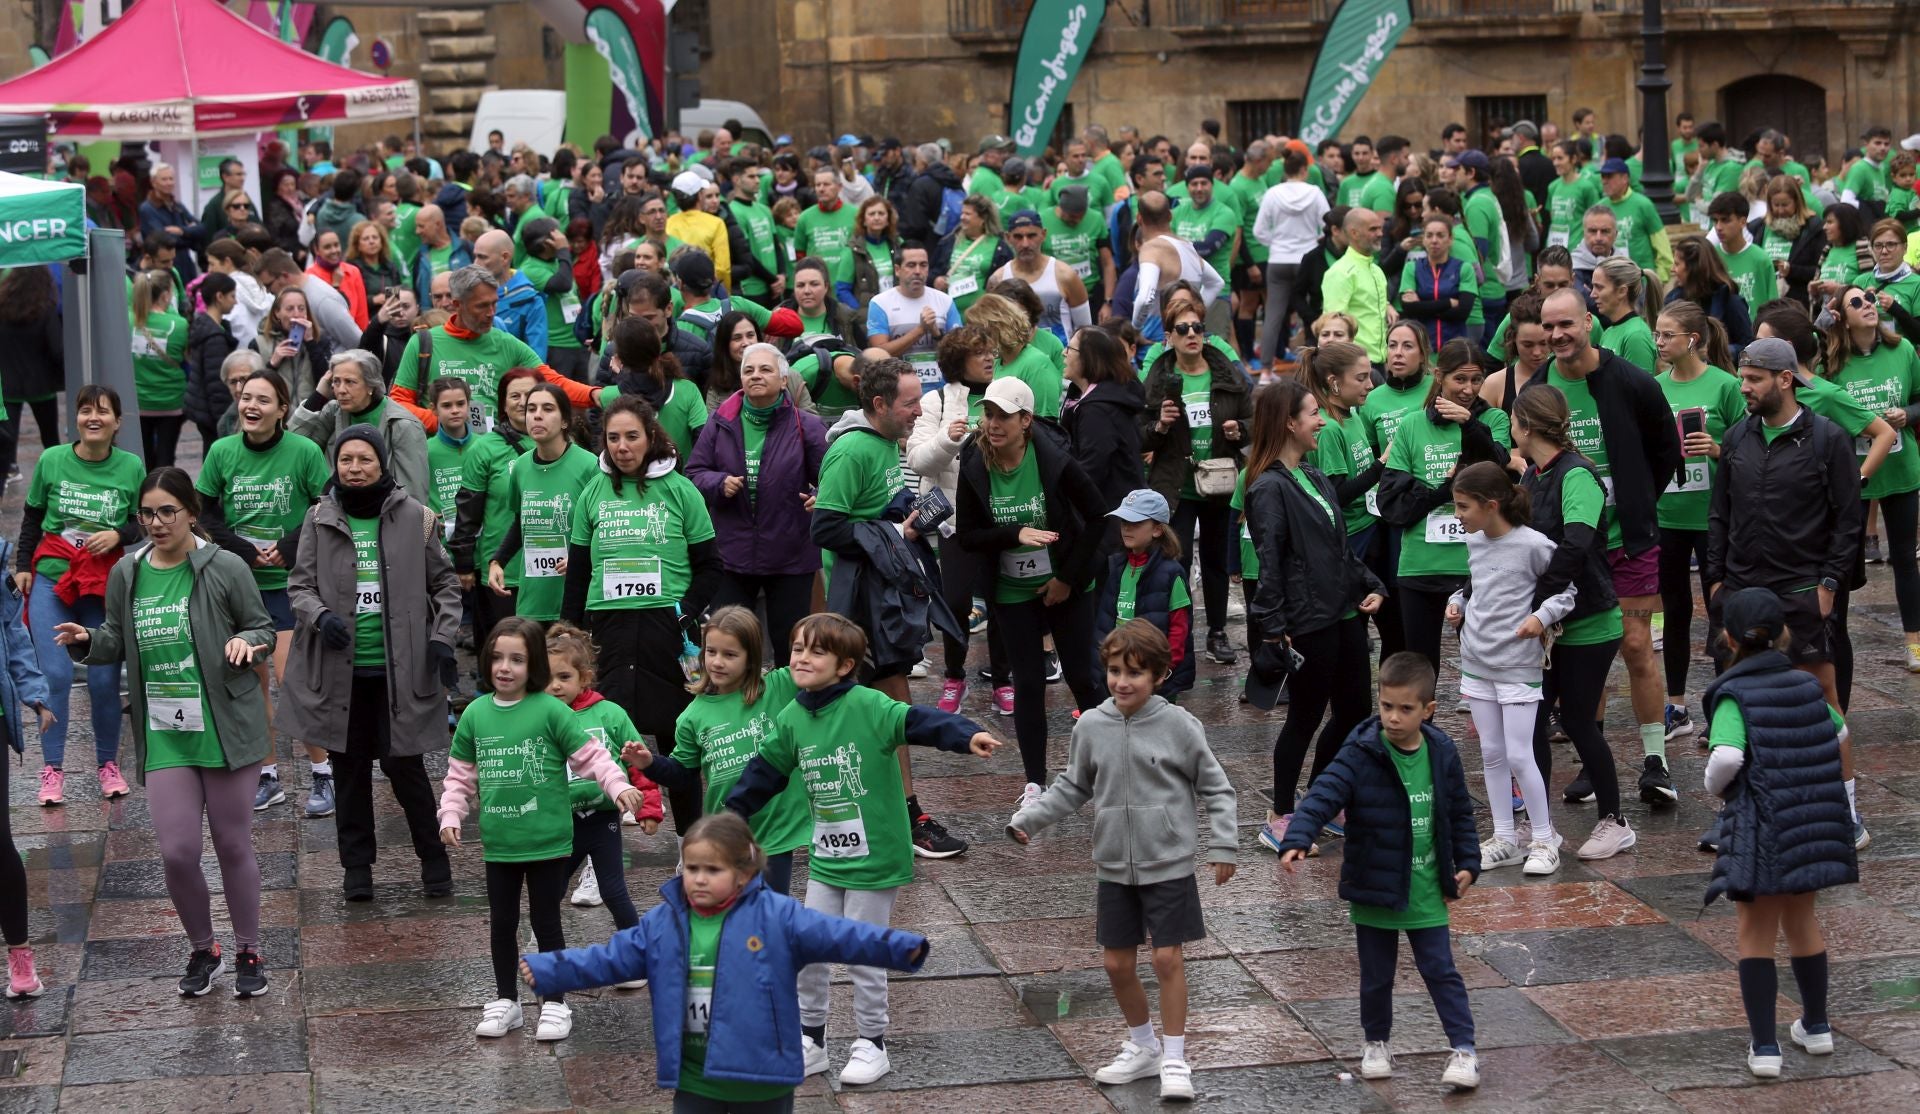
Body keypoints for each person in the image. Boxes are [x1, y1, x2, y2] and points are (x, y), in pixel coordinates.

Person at [722, 612, 999, 1087]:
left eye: (816, 651)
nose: (802, 658)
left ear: (846, 665)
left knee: (862, 951)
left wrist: (966, 733)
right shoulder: (792, 717)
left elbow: (920, 721)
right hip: (828, 856)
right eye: (796, 649)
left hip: (876, 857)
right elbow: (764, 771)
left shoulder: (870, 706)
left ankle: (873, 1043)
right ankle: (811, 1040)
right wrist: (729, 816)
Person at [518, 812, 930, 1108]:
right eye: (692, 867)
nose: (698, 878)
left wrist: (900, 948)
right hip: (696, 1076)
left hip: (762, 1077)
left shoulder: (777, 917)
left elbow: (844, 937)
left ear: (745, 873)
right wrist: (549, 969)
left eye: (712, 869)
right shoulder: (666, 921)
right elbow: (611, 959)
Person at [55, 468, 276, 997]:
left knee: (231, 842)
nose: (156, 523)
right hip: (166, 731)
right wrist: (87, 639)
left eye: (166, 512)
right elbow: (114, 638)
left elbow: (262, 625)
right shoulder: (127, 574)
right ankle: (205, 948)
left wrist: (247, 643)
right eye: (147, 514)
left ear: (191, 513)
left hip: (226, 727)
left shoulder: (224, 567)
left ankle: (249, 948)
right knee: (177, 851)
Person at [1008, 619, 1234, 1102]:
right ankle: (1143, 1045)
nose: (1121, 681)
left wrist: (1223, 845)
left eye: (1134, 672)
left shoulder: (1178, 725)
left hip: (1168, 860)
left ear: (1158, 675)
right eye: (1114, 670)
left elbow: (1215, 786)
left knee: (1168, 957)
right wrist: (1031, 819)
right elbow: (1073, 785)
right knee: (1115, 963)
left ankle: (1175, 1057)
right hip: (1114, 862)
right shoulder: (1092, 724)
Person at [1274, 653, 1482, 1092]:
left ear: (1428, 710)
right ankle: (1376, 1043)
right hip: (1374, 884)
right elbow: (1324, 791)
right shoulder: (1362, 749)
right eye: (1387, 705)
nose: (1393, 717)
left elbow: (1460, 813)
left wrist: (1468, 864)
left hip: (1426, 887)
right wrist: (1298, 835)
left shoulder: (1441, 752)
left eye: (1405, 709)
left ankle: (1464, 1049)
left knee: (1440, 969)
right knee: (1376, 975)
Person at [438, 616, 650, 1041]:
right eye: (497, 657)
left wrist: (619, 786)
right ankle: (506, 1001)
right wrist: (450, 813)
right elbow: (459, 775)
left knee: (547, 920)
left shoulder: (551, 710)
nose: (505, 667)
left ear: (532, 663)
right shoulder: (476, 714)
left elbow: (593, 758)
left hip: (549, 840)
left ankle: (555, 1002)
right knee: (501, 923)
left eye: (517, 659)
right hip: (500, 843)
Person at [281, 425, 461, 900]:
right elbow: (298, 587)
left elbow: (445, 585)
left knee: (407, 769)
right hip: (340, 672)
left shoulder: (417, 517)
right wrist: (319, 617)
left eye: (365, 460)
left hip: (399, 672)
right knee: (350, 771)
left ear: (383, 463)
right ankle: (356, 868)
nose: (355, 469)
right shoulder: (318, 518)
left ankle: (434, 859)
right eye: (346, 460)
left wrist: (442, 638)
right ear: (335, 465)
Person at [810, 358, 970, 856]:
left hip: (887, 597)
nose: (918, 410)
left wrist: (912, 513)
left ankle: (897, 811)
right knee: (880, 705)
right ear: (878, 405)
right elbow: (827, 529)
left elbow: (882, 505)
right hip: (860, 603)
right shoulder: (853, 449)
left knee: (889, 702)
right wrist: (892, 532)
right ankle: (901, 815)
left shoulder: (884, 445)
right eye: (908, 402)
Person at [1535, 286, 1683, 812]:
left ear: (1589, 323)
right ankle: (1593, 762)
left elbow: (1667, 447)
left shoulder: (1631, 381)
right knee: (1585, 651)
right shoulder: (1539, 385)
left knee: (1637, 644)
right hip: (1575, 546)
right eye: (1548, 328)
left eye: (1566, 325)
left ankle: (1654, 759)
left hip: (1628, 538)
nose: (1557, 337)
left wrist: (1639, 499)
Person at [1700, 587, 1856, 1080]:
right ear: (1785, 635)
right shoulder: (1808, 686)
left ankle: (1765, 1048)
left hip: (1762, 825)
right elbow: (1839, 733)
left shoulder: (1734, 693)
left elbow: (1726, 757)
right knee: (1803, 920)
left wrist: (1719, 790)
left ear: (1728, 639)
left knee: (1755, 932)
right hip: (1810, 819)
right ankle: (1817, 1026)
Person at [560, 394, 720, 842]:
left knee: (677, 742)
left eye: (632, 436)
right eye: (613, 438)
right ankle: (598, 853)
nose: (622, 446)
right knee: (604, 744)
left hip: (664, 632)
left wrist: (684, 613)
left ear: (650, 436)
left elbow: (712, 566)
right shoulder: (593, 490)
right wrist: (567, 633)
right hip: (607, 631)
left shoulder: (679, 488)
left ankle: (692, 845)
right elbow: (579, 575)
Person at [1244, 378, 1387, 852]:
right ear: (1289, 423)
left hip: (1341, 611)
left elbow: (1338, 549)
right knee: (1304, 718)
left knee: (1355, 709)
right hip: (1306, 620)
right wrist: (1273, 630)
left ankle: (1320, 798)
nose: (1321, 421)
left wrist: (1371, 583)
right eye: (1312, 414)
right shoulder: (1268, 487)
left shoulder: (1316, 476)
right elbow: (1270, 561)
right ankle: (1281, 814)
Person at [955, 376, 1111, 802]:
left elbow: (1099, 517)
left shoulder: (1053, 458)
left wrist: (1067, 580)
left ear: (1025, 420)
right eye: (988, 413)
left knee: (1084, 676)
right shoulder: (974, 461)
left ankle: (1111, 767)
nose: (993, 423)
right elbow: (967, 535)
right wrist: (1014, 533)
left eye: (1003, 415)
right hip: (1011, 589)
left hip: (1067, 580)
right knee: (1027, 683)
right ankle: (1034, 782)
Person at [194, 370, 335, 815]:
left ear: (281, 408)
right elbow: (204, 514)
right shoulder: (221, 452)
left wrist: (288, 547)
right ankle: (267, 775)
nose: (250, 406)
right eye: (245, 397)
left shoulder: (305, 451)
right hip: (239, 587)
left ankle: (323, 774)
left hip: (289, 587)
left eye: (262, 400)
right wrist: (243, 552)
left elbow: (327, 504)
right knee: (249, 687)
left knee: (292, 682)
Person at [14, 385, 144, 804]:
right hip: (53, 578)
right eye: (85, 411)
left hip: (102, 585)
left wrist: (118, 534)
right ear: (76, 420)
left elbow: (141, 522)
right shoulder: (52, 459)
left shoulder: (131, 467)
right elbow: (32, 516)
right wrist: (20, 567)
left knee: (105, 679)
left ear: (116, 422)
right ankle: (51, 770)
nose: (93, 418)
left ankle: (108, 765)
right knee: (56, 676)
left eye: (103, 411)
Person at [1444, 462, 1572, 875]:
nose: (1458, 515)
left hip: (1518, 663)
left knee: (1519, 753)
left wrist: (1543, 616)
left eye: (1463, 507)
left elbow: (1568, 590)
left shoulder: (1534, 544)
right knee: (1491, 752)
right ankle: (1503, 837)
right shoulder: (1476, 543)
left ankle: (1544, 837)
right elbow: (1476, 585)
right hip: (1477, 660)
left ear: (1491, 504)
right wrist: (1459, 603)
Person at [628, 607, 809, 894]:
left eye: (730, 655)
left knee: (770, 916)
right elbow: (682, 774)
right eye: (711, 652)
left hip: (776, 829)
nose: (717, 662)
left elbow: (819, 670)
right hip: (727, 834)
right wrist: (649, 762)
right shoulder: (693, 715)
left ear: (751, 658)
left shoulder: (778, 687)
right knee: (728, 916)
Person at [685, 342, 827, 668]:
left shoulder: (806, 424)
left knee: (788, 644)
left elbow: (831, 478)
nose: (755, 376)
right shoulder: (720, 422)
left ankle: (785, 713)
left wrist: (822, 499)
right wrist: (718, 483)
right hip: (732, 553)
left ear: (783, 379)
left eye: (765, 369)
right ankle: (736, 710)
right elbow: (694, 473)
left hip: (790, 553)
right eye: (748, 370)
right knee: (731, 644)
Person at [1379, 339, 1511, 676]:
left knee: (1487, 664)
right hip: (1421, 564)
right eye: (1460, 380)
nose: (1468, 389)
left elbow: (1499, 472)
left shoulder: (1493, 419)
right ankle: (1422, 730)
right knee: (1421, 667)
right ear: (1439, 376)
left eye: (1476, 380)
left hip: (1478, 562)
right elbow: (1393, 506)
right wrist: (1443, 490)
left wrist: (1469, 425)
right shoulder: (1411, 425)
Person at [1141, 297, 1253, 666]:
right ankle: (1181, 634)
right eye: (1183, 329)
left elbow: (1254, 421)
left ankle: (1217, 632)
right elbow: (1139, 435)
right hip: (1177, 484)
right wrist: (1161, 425)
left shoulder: (1225, 373)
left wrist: (1239, 431)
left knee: (1218, 561)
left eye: (1198, 328)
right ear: (1169, 337)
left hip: (1221, 482)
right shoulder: (1158, 376)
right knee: (1179, 560)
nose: (1192, 335)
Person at [1653, 302, 1745, 740]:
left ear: (1692, 338)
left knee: (1720, 610)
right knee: (1674, 610)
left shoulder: (1726, 386)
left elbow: (1751, 453)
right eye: (1656, 333)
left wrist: (1717, 449)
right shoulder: (1653, 387)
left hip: (1714, 516)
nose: (1659, 342)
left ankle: (1723, 707)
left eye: (1667, 335)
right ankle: (1676, 707)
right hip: (1668, 514)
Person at [907, 327, 1011, 713]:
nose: (988, 359)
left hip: (1002, 516)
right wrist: (949, 440)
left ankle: (1003, 679)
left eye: (991, 351)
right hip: (956, 522)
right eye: (979, 352)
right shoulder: (936, 399)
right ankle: (954, 677)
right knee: (955, 602)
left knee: (1003, 601)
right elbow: (918, 459)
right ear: (957, 360)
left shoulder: (1006, 391)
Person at [544, 621, 662, 923]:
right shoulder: (540, 717)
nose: (555, 685)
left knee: (613, 890)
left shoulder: (609, 713)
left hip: (602, 819)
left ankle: (637, 948)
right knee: (548, 892)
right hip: (560, 823)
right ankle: (543, 951)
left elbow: (638, 761)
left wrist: (648, 807)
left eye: (564, 677)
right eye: (547, 678)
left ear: (584, 678)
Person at [450, 368, 538, 653]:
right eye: (515, 396)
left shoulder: (565, 447)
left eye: (530, 394)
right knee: (502, 653)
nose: (523, 402)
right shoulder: (485, 449)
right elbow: (468, 510)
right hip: (501, 571)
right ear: (503, 403)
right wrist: (464, 564)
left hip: (551, 572)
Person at [287, 348, 430, 499]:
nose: (341, 390)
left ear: (370, 385)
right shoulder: (333, 412)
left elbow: (413, 494)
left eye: (350, 382)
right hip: (333, 512)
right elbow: (292, 451)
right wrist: (318, 396)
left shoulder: (402, 424)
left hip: (384, 515)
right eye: (336, 381)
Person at [1095, 489, 1195, 701]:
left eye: (1136, 523)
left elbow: (1179, 626)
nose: (1126, 529)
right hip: (1121, 669)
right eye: (1124, 522)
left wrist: (1165, 668)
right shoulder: (1116, 565)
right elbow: (1105, 619)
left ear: (1157, 529)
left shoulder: (1171, 572)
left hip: (1155, 675)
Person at [1255, 146, 1332, 369]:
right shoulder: (1315, 192)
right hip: (1307, 259)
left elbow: (1259, 230)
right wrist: (1313, 242)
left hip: (1278, 259)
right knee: (1313, 310)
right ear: (1304, 170)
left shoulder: (1272, 193)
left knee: (1273, 315)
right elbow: (1326, 225)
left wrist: (1276, 244)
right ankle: (1316, 364)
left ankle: (1267, 370)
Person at [866, 240, 960, 390]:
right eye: (911, 265)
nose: (918, 271)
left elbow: (959, 352)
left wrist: (936, 333)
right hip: (897, 391)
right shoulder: (880, 303)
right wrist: (920, 331)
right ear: (897, 270)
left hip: (942, 390)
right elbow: (879, 354)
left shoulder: (945, 301)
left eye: (923, 265)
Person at [1129, 192, 1223, 340]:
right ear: (1170, 216)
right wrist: (1193, 316)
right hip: (1185, 336)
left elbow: (1145, 297)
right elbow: (1217, 283)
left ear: (1139, 218)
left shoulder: (1151, 248)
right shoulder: (1189, 248)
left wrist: (1134, 329)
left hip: (1155, 340)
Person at [129, 269, 190, 468]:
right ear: (165, 295)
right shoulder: (180, 325)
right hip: (171, 401)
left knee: (143, 457)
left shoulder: (128, 322)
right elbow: (186, 358)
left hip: (138, 401)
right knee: (166, 456)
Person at [1322, 206, 1391, 366]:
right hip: (1354, 364)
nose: (1380, 234)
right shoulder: (1340, 272)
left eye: (1380, 228)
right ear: (1354, 233)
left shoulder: (1376, 270)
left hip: (1378, 361)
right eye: (1373, 229)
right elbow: (1333, 324)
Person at [1398, 216, 1477, 350]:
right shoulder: (1412, 267)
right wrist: (1448, 303)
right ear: (1423, 239)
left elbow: (1463, 311)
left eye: (1440, 235)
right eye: (1429, 235)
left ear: (1450, 239)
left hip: (1456, 346)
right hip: (1422, 346)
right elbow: (1408, 308)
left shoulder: (1464, 268)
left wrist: (1422, 306)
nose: (1434, 240)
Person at [1668, 238, 1755, 354]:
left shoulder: (1731, 303)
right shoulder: (1675, 299)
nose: (1672, 269)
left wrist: (1716, 351)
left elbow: (1748, 347)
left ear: (1694, 268)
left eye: (1677, 264)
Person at [1589, 256, 1660, 372]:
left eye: (1599, 287)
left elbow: (1641, 388)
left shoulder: (1636, 335)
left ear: (1622, 291)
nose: (1592, 294)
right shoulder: (1608, 332)